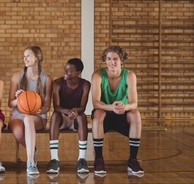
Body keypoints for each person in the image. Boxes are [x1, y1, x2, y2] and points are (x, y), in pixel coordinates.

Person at [91, 46, 144, 175]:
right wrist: (111, 107)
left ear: (121, 61)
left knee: (135, 114)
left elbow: (134, 103)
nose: (112, 62)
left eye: (115, 59)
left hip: (122, 113)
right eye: (108, 58)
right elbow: (96, 102)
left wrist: (124, 107)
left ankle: (132, 160)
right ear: (105, 60)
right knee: (97, 113)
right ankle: (99, 159)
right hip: (105, 114)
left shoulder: (130, 75)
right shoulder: (98, 75)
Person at [8, 46, 53, 175]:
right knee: (18, 132)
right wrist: (18, 99)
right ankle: (33, 150)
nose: (25, 58)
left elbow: (47, 106)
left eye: (28, 55)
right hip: (17, 114)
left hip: (36, 116)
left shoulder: (47, 79)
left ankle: (30, 163)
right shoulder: (16, 77)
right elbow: (10, 104)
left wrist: (39, 110)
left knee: (28, 119)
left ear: (37, 58)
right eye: (24, 56)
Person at [47, 58, 91, 174]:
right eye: (65, 69)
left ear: (78, 73)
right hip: (62, 118)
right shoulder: (57, 83)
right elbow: (56, 106)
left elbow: (83, 107)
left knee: (83, 116)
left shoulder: (85, 84)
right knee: (55, 115)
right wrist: (67, 112)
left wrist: (76, 111)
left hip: (76, 118)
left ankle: (81, 160)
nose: (65, 72)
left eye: (69, 70)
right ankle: (54, 159)